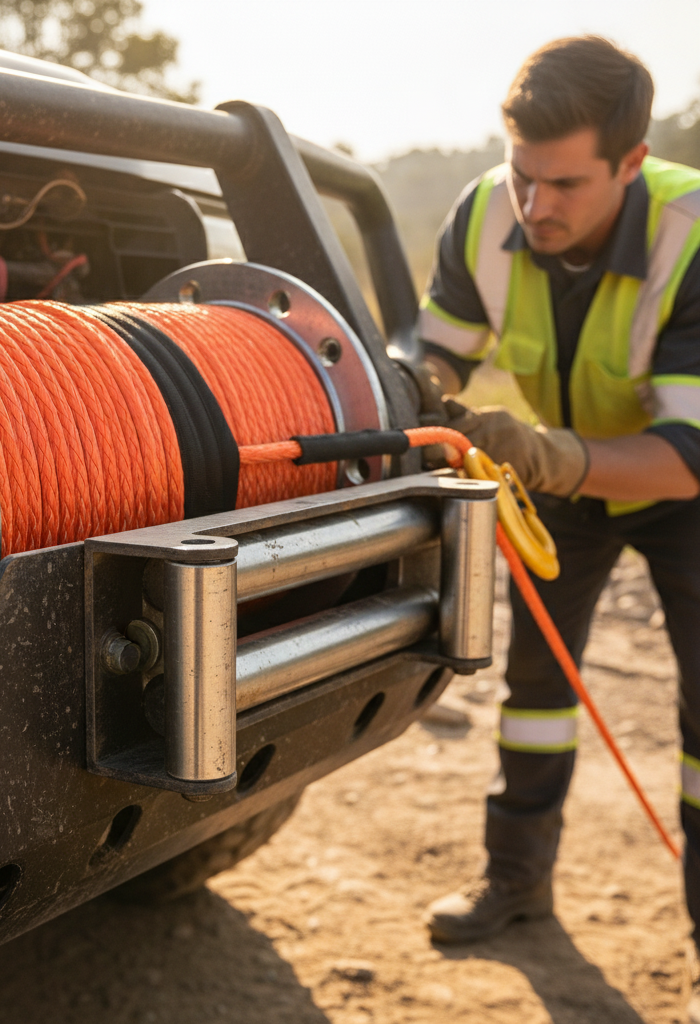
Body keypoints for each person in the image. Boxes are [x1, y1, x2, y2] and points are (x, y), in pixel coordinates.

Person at [417, 35, 700, 1016]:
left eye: (565, 184)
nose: (535, 207)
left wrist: (549, 453)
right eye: (521, 175)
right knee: (534, 690)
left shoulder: (691, 231)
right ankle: (517, 881)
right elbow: (441, 351)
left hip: (679, 488)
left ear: (630, 161)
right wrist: (429, 393)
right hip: (564, 487)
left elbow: (686, 453)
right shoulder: (484, 208)